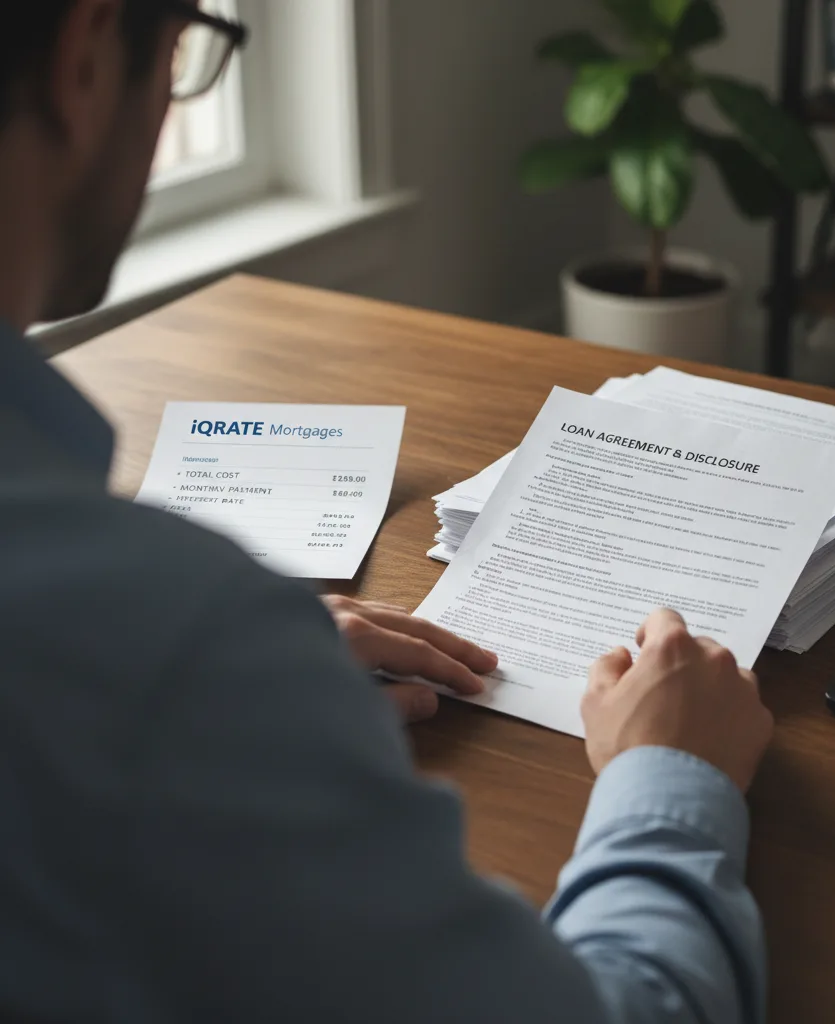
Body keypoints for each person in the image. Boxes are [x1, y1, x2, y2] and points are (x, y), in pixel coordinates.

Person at [0, 2, 775, 1022]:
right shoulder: (162, 638)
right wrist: (673, 778)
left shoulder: (138, 643)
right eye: (185, 52)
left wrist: (225, 690)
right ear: (86, 53)